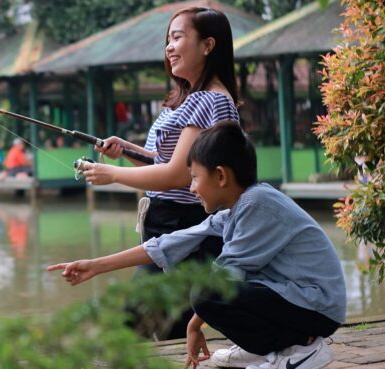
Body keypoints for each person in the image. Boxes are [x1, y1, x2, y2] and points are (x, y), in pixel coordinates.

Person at [49, 121, 346, 369]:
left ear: (220, 176)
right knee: (209, 287)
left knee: (208, 291)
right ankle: (265, 349)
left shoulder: (258, 204)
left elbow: (224, 274)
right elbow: (168, 244)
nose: (191, 188)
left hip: (317, 305)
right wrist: (96, 266)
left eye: (194, 178)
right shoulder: (237, 208)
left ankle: (302, 348)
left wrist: (193, 325)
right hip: (301, 300)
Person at [81, 6, 240, 340]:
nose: (169, 47)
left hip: (184, 224)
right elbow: (169, 162)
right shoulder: (193, 98)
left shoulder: (209, 100)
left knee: (134, 328)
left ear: (208, 45)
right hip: (171, 223)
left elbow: (179, 176)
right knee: (169, 329)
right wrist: (127, 150)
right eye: (168, 39)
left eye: (178, 37)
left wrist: (114, 173)